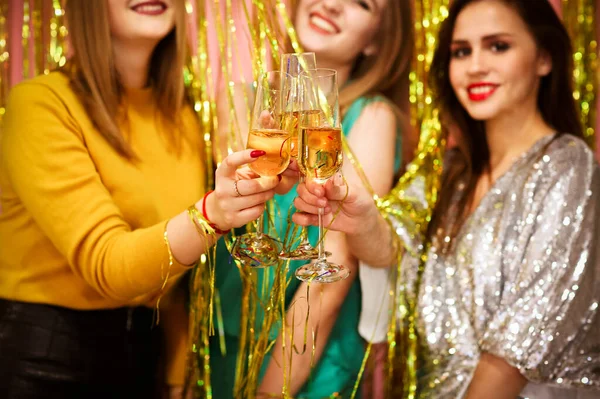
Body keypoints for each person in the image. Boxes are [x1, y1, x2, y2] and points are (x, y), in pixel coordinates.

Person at [293, 0, 600, 398]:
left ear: (544, 58)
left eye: (498, 46)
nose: (475, 66)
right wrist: (360, 217)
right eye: (461, 51)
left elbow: (518, 346)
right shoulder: (450, 170)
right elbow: (392, 250)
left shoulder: (569, 164)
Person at [0, 0, 288, 398]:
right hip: (48, 357)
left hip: (144, 355)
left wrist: (176, 371)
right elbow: (109, 266)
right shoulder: (40, 104)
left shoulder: (182, 113)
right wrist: (214, 213)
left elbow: (169, 273)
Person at [208, 0, 414, 397]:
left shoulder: (371, 116)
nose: (333, 4)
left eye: (361, 3)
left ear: (376, 40)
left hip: (305, 359)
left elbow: (332, 276)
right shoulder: (237, 100)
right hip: (222, 339)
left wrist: (270, 392)